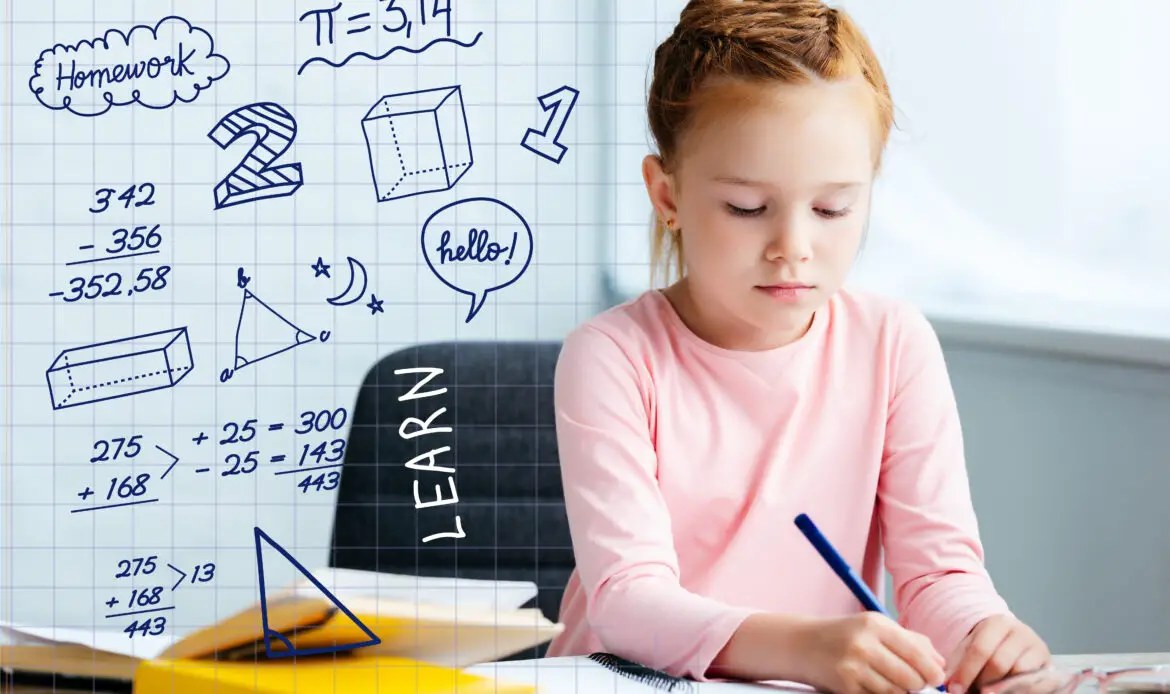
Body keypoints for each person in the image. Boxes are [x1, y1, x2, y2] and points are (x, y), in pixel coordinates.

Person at [543, 1, 1052, 693]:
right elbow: (629, 602)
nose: (794, 249)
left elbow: (939, 575)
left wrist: (984, 637)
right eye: (747, 208)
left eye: (834, 208)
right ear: (667, 195)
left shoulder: (894, 345)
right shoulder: (611, 356)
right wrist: (803, 646)